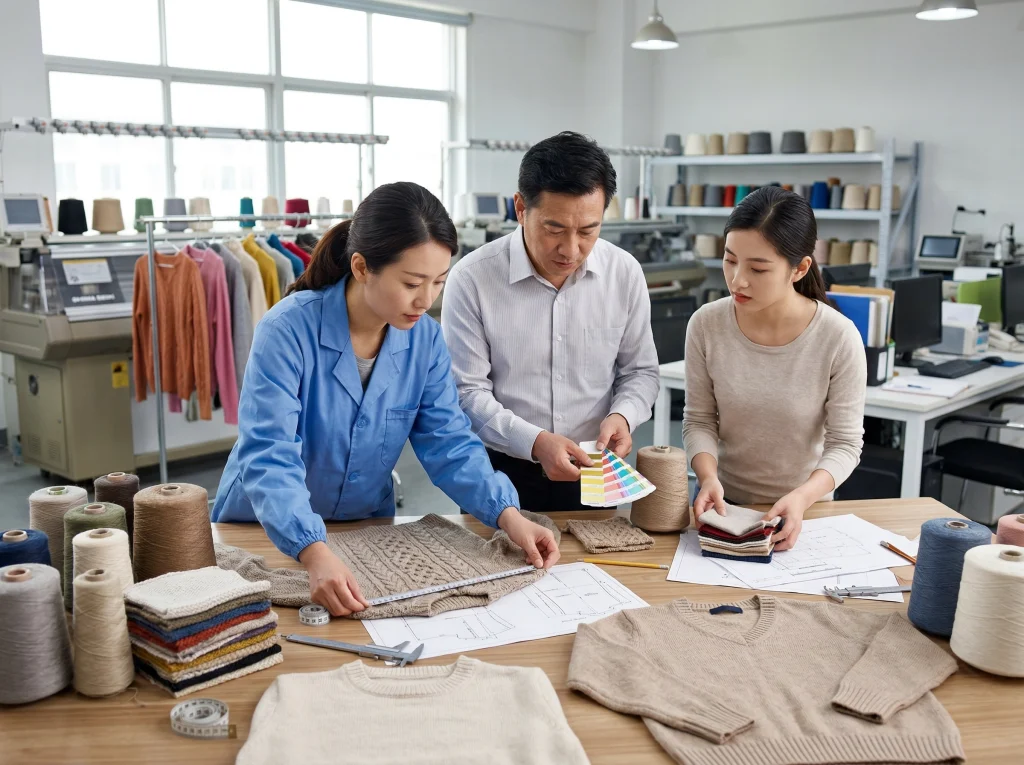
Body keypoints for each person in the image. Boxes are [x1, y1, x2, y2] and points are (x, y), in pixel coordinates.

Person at [211, 182, 560, 616]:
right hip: (263, 530)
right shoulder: (286, 331)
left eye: (438, 282)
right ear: (361, 267)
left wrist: (508, 516)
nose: (426, 300)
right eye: (412, 282)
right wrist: (312, 550)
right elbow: (270, 454)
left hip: (364, 529)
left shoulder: (425, 341)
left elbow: (449, 443)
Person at [441, 132, 660, 512]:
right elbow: (466, 392)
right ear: (520, 208)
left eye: (588, 230)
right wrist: (536, 442)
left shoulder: (623, 273)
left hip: (593, 468)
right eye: (554, 228)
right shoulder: (472, 278)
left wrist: (623, 415)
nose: (570, 249)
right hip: (499, 471)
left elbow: (640, 372)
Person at [683, 187, 866, 550]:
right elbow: (699, 420)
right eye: (730, 260)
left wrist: (802, 497)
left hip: (807, 511)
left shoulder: (838, 336)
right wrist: (707, 477)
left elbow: (845, 444)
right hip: (724, 506)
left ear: (800, 269)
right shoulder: (706, 324)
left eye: (758, 268)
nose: (737, 280)